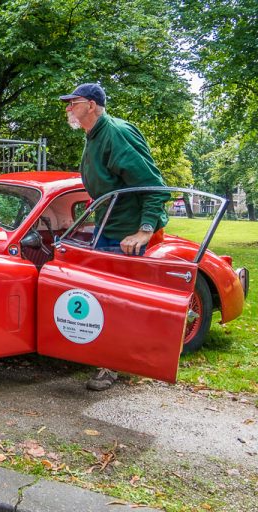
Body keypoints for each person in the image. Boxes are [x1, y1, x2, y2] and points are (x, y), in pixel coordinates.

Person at [60, 82, 168, 391]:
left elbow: (152, 185)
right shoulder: (93, 136)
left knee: (116, 301)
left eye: (73, 103)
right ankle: (109, 356)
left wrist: (144, 231)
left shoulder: (116, 133)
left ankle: (113, 366)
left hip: (127, 233)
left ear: (91, 105)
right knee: (101, 296)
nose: (68, 108)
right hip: (108, 227)